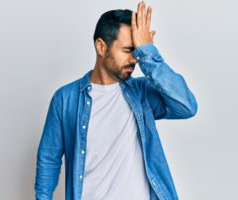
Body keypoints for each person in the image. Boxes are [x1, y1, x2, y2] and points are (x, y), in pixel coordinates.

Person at [35, 1, 198, 200]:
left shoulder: (141, 93)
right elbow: (48, 159)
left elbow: (186, 107)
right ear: (101, 47)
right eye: (129, 50)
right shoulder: (65, 99)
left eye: (137, 51)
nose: (134, 59)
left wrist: (148, 53)